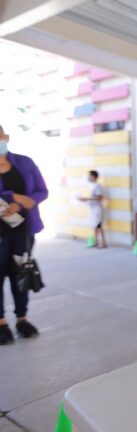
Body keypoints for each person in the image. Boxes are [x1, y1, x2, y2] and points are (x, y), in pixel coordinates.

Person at [0, 124, 48, 345]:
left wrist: (22, 202)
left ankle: (22, 319)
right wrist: (10, 197)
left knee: (20, 273)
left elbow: (42, 191)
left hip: (23, 231)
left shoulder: (24, 163)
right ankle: (1, 323)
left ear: (5, 137)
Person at [80, 170, 106, 248]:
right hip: (93, 209)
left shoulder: (98, 186)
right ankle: (97, 242)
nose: (88, 177)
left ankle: (103, 243)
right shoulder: (93, 186)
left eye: (89, 176)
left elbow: (100, 197)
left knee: (99, 225)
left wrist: (86, 198)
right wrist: (86, 200)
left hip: (97, 209)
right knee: (95, 225)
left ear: (93, 177)